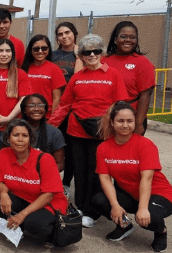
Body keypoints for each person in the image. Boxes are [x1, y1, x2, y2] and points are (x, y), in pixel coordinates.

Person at [50, 34, 129, 228]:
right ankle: (81, 207)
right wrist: (50, 127)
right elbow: (65, 105)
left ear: (102, 53)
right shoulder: (77, 77)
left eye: (96, 51)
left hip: (102, 133)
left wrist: (121, 130)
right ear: (81, 56)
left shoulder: (114, 75)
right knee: (79, 171)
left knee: (96, 173)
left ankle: (92, 211)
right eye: (87, 52)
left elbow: (119, 105)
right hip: (77, 132)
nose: (92, 55)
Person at [91, 102, 172, 252]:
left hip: (159, 193)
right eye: (120, 121)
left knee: (149, 218)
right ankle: (124, 226)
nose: (125, 125)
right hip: (131, 194)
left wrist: (142, 209)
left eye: (130, 121)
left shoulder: (145, 145)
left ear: (135, 122)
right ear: (112, 122)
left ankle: (161, 232)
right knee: (99, 201)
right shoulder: (103, 148)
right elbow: (105, 178)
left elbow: (146, 178)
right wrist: (115, 206)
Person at [0, 120, 69, 244]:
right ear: (8, 139)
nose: (20, 139)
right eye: (16, 135)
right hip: (23, 198)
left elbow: (49, 195)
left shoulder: (45, 159)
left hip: (48, 203)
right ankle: (17, 228)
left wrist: (22, 214)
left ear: (30, 139)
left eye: (25, 136)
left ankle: (52, 232)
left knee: (34, 225)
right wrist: (4, 194)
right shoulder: (3, 154)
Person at [103, 21, 155, 135]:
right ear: (115, 39)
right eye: (123, 36)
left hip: (130, 119)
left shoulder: (143, 63)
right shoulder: (104, 61)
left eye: (132, 37)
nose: (128, 40)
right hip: (107, 118)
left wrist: (139, 123)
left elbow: (145, 95)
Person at [0, 39, 31, 147]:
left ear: (12, 54)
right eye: (0, 51)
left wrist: (9, 118)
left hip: (12, 126)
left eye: (8, 51)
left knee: (7, 157)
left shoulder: (20, 74)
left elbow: (23, 99)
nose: (4, 54)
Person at [52, 22, 79, 198]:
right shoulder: (53, 55)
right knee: (55, 146)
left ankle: (66, 183)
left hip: (74, 109)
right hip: (56, 107)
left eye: (67, 32)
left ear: (74, 34)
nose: (64, 36)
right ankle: (51, 181)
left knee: (70, 149)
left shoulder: (83, 54)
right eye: (60, 34)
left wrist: (79, 56)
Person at [21, 35, 66, 118]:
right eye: (36, 49)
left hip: (46, 116)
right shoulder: (24, 68)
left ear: (49, 49)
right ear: (30, 50)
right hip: (26, 115)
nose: (40, 51)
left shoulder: (55, 69)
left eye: (44, 48)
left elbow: (57, 98)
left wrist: (52, 120)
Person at [20, 94, 65, 171]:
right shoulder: (14, 130)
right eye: (31, 105)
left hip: (43, 176)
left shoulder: (54, 133)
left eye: (41, 105)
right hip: (17, 176)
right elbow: (4, 159)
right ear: (24, 109)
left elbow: (60, 165)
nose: (37, 109)